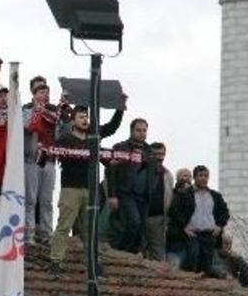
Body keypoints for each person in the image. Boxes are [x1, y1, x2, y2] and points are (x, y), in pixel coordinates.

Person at [48, 101, 124, 274]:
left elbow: (111, 127)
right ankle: (56, 261)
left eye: (87, 116)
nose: (85, 119)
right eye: (81, 116)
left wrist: (119, 107)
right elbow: (54, 152)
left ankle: (93, 262)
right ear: (73, 121)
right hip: (70, 189)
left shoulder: (94, 137)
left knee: (90, 229)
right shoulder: (65, 139)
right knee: (64, 226)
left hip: (90, 190)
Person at [168, 165, 230, 275]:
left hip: (210, 235)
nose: (203, 178)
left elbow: (224, 212)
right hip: (193, 235)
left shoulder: (215, 196)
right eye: (200, 175)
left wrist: (219, 226)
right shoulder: (186, 194)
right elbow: (174, 211)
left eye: (206, 176)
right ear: (195, 178)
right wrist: (184, 226)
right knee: (192, 263)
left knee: (207, 266)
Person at [106, 118, 153, 255]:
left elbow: (154, 173)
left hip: (143, 195)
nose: (142, 133)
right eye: (138, 130)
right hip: (126, 193)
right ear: (132, 131)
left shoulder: (149, 151)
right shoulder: (120, 147)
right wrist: (112, 195)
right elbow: (111, 172)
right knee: (134, 222)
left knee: (141, 228)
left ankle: (131, 255)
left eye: (144, 130)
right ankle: (121, 251)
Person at [21, 79, 60, 243]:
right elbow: (26, 126)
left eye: (47, 93)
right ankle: (28, 234)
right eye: (41, 92)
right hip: (32, 159)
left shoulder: (54, 113)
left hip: (49, 160)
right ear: (34, 95)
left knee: (46, 200)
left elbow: (59, 134)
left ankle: (46, 233)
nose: (45, 95)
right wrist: (36, 111)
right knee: (30, 199)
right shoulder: (27, 109)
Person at [143, 142, 175, 261]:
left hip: (158, 218)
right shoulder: (141, 170)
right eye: (156, 154)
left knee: (158, 253)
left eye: (162, 154)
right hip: (141, 215)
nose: (159, 157)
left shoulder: (167, 175)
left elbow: (169, 197)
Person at [165, 168, 194, 269]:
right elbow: (173, 210)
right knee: (174, 261)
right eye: (184, 175)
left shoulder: (194, 194)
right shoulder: (173, 193)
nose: (187, 178)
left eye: (189, 176)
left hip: (189, 237)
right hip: (175, 234)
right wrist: (184, 225)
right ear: (178, 178)